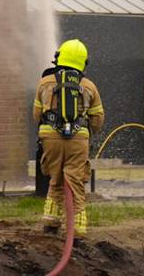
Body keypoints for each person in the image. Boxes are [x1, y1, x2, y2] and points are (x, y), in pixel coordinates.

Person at [33, 39, 104, 238]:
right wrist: (85, 131)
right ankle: (78, 230)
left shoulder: (44, 82)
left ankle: (50, 223)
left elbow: (36, 115)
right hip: (78, 139)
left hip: (50, 138)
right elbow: (98, 119)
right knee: (74, 180)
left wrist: (48, 130)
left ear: (59, 57)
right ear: (83, 62)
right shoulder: (89, 86)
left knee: (55, 178)